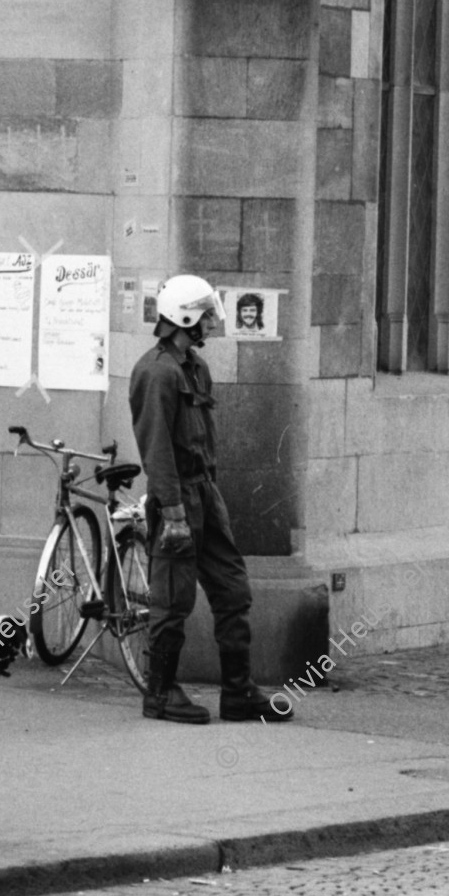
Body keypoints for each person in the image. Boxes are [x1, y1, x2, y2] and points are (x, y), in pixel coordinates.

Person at [129, 274, 289, 726]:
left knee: (233, 589)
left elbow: (207, 440)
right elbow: (156, 448)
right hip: (176, 498)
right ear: (185, 317)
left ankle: (238, 693)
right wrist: (174, 513)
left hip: (204, 494)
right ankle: (159, 695)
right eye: (204, 316)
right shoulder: (155, 371)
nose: (210, 325)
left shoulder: (194, 368)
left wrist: (211, 497)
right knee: (173, 602)